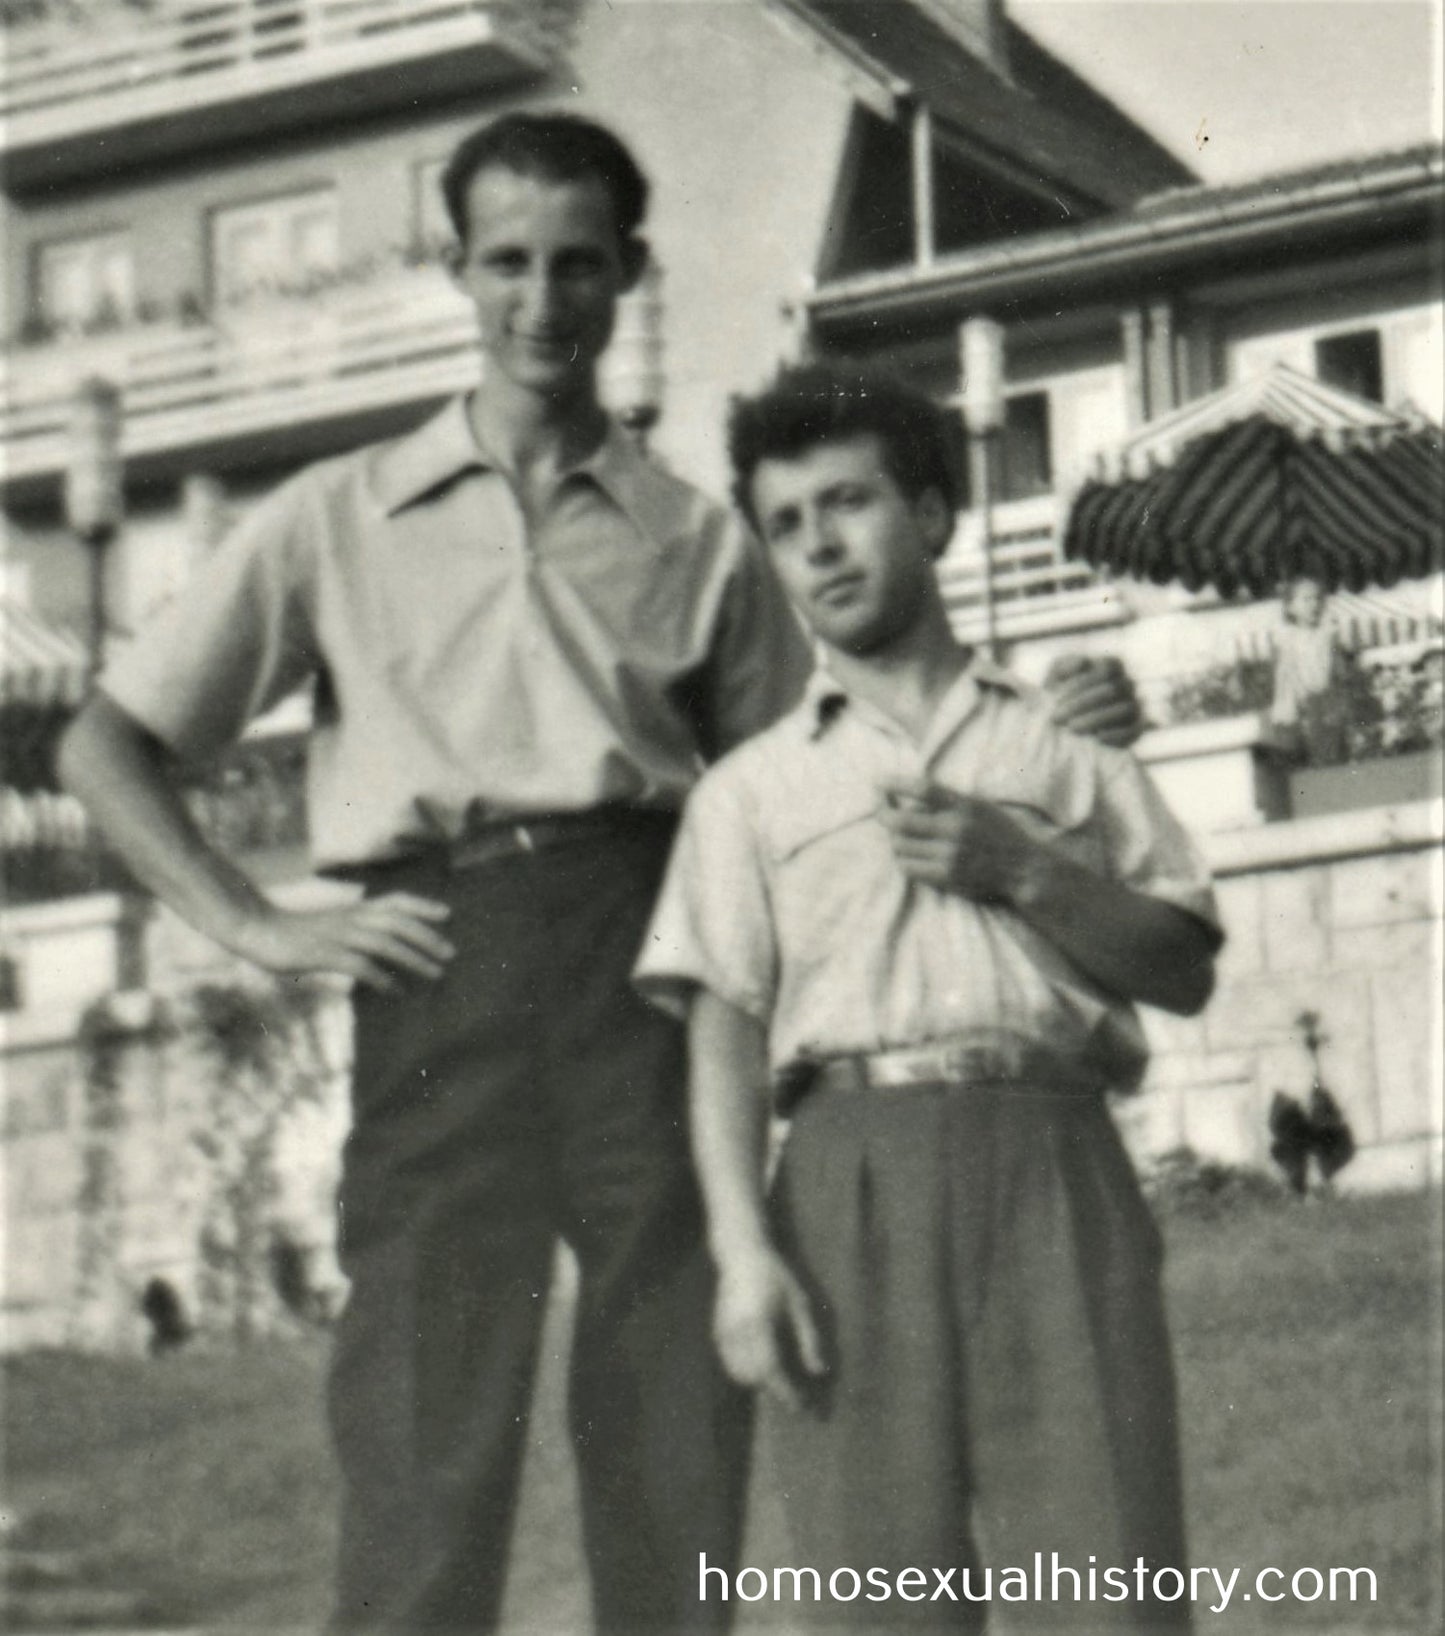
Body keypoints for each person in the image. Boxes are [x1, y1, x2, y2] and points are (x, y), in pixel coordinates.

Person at [58, 116, 1146, 1634]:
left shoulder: (694, 541)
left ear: (628, 273)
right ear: (458, 270)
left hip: (643, 962)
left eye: (579, 264)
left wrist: (1049, 733)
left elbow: (832, 780)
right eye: (507, 262)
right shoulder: (337, 516)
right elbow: (107, 742)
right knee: (423, 1436)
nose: (541, 300)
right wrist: (257, 925)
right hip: (435, 972)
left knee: (668, 1428)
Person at [636, 364, 1222, 1632]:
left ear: (935, 516)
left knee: (1105, 1585)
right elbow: (722, 1033)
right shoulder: (744, 793)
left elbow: (1181, 965)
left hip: (1050, 1161)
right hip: (842, 1188)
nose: (818, 546)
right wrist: (742, 1256)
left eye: (845, 503)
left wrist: (1021, 866)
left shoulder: (1064, 742)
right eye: (784, 526)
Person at [1269, 571, 1349, 764]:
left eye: (1317, 599)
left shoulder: (1328, 636)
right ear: (1290, 607)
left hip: (1326, 710)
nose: (1314, 605)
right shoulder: (1285, 639)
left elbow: (1337, 675)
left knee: (1331, 762)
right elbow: (1285, 679)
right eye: (1306, 599)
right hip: (1296, 713)